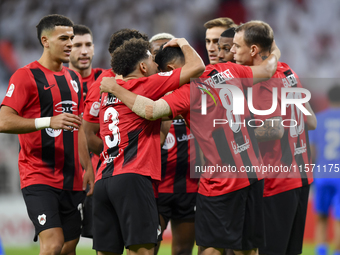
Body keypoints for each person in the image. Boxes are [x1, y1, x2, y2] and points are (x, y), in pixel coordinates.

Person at [99, 20, 281, 255]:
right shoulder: (227, 70)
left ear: (171, 68)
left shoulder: (185, 93)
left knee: (209, 248)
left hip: (221, 179)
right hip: (253, 172)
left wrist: (116, 89)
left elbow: (150, 110)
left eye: (163, 71)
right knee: (248, 249)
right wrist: (274, 48)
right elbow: (267, 69)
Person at [92, 36, 205, 255]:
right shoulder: (146, 84)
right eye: (152, 60)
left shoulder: (109, 93)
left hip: (103, 180)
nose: (157, 64)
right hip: (133, 178)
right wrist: (182, 42)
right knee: (142, 251)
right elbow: (198, 67)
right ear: (143, 67)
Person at [0, 14, 94, 255]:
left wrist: (88, 168)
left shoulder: (73, 78)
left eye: (71, 38)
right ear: (45, 40)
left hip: (72, 177)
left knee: (69, 247)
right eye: (63, 38)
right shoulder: (26, 76)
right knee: (52, 244)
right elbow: (3, 120)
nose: (70, 44)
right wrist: (47, 121)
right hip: (39, 175)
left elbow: (79, 125)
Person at [231, 21, 316, 255]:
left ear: (254, 50)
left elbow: (275, 129)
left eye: (237, 46)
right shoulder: (288, 72)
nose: (232, 52)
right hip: (301, 178)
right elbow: (311, 121)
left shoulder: (259, 84)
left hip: (275, 183)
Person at [150, 32, 199, 255]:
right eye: (155, 53)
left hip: (190, 185)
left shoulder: (194, 89)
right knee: (149, 247)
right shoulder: (147, 92)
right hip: (155, 185)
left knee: (182, 249)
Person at [68, 24, 105, 240]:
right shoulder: (56, 82)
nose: (84, 51)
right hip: (67, 174)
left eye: (88, 45)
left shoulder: (107, 80)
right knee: (64, 245)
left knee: (103, 241)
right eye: (77, 45)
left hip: (100, 175)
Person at [309, 85, 340, 255]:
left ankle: (321, 252)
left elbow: (312, 151)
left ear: (328, 99)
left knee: (321, 218)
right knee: (339, 221)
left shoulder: (319, 119)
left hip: (322, 174)